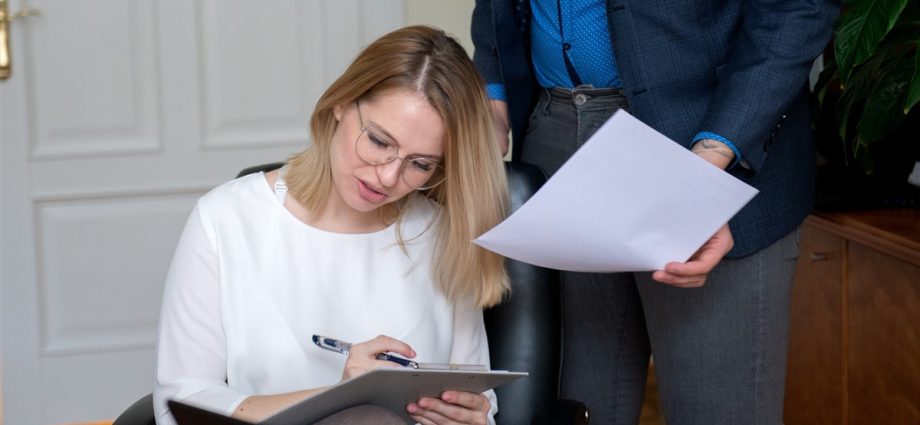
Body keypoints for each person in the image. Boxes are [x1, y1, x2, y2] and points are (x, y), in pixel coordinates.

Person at [472, 1, 839, 424]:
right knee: (577, 407)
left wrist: (709, 164)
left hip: (711, 136)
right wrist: (492, 89)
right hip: (552, 142)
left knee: (716, 411)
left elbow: (798, 9)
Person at [154, 25, 509, 425]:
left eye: (421, 164)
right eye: (378, 141)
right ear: (341, 103)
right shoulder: (226, 220)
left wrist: (473, 417)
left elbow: (479, 396)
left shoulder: (442, 232)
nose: (389, 178)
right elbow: (181, 401)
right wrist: (341, 399)